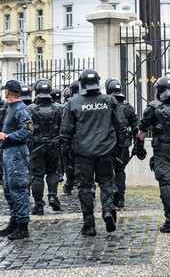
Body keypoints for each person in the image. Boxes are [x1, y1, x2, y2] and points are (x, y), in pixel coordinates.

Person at [59, 69, 127, 236]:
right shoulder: (109, 100)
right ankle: (108, 210)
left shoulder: (73, 103)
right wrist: (120, 148)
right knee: (106, 183)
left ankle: (89, 224)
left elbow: (66, 130)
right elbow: (121, 125)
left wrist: (65, 152)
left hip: (83, 153)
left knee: (86, 187)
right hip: (106, 151)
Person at [137, 75, 170, 233]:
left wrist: (139, 146)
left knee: (166, 181)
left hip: (163, 149)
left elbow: (142, 131)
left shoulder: (153, 107)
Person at [0, 80, 34, 240]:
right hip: (8, 151)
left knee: (18, 188)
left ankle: (22, 225)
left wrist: (7, 136)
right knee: (8, 189)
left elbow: (28, 130)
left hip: (17, 154)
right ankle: (14, 221)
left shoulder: (21, 109)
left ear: (7, 92)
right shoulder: (11, 108)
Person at [29, 79, 62, 215]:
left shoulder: (30, 109)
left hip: (37, 146)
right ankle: (53, 195)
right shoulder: (58, 108)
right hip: (53, 145)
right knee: (52, 172)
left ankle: (38, 204)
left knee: (37, 175)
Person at [107, 78, 138, 209]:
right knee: (120, 170)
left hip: (108, 144)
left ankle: (114, 192)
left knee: (108, 171)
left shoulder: (106, 104)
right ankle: (120, 198)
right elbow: (136, 126)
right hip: (123, 144)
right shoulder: (128, 107)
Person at [60, 81, 80, 196]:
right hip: (83, 139)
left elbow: (64, 126)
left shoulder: (68, 105)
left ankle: (70, 183)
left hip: (71, 139)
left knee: (69, 163)